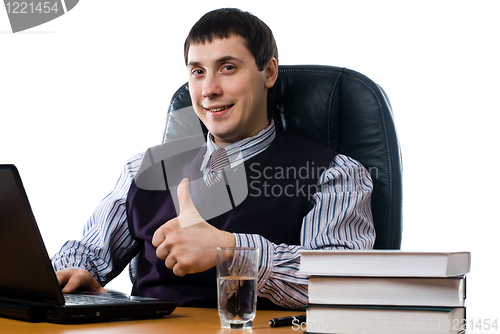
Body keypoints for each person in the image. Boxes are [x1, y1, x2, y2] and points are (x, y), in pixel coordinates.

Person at [52, 8, 375, 310]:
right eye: (197, 72)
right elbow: (88, 253)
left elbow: (342, 281)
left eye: (228, 68)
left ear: (269, 72)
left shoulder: (334, 173)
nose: (208, 90)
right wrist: (72, 274)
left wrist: (233, 252)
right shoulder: (146, 167)